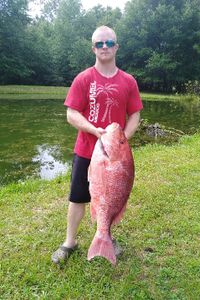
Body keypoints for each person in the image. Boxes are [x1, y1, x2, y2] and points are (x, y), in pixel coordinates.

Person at [51, 25, 143, 264]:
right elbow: (71, 114)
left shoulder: (129, 81)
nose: (105, 47)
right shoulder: (83, 79)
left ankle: (106, 238)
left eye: (109, 43)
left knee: (112, 198)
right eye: (100, 43)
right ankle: (69, 242)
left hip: (117, 157)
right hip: (86, 151)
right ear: (93, 48)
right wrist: (95, 131)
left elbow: (135, 116)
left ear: (116, 47)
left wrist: (121, 141)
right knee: (77, 198)